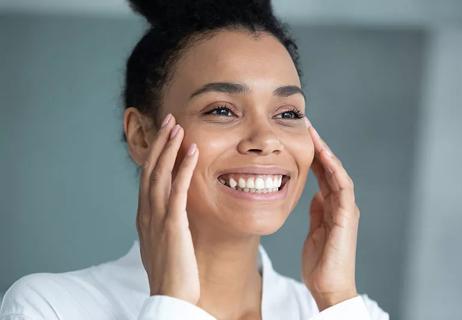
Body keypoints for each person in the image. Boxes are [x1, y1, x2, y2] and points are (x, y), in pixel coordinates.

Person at [0, 0, 390, 319]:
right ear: (142, 135)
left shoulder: (347, 311)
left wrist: (335, 297)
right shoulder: (51, 307)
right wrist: (171, 303)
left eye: (287, 113)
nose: (266, 140)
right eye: (221, 110)